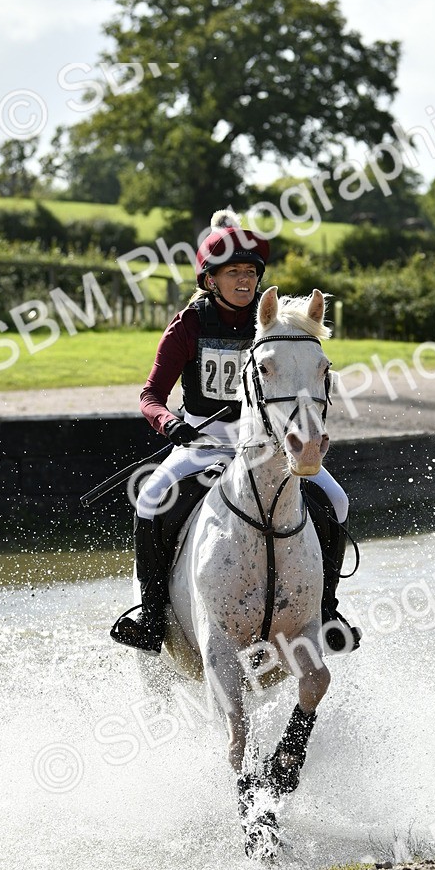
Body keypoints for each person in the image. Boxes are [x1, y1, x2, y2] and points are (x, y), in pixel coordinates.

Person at [110, 209, 361, 656]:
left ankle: (326, 611)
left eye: (250, 272)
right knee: (150, 499)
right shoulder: (188, 326)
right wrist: (170, 423)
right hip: (205, 443)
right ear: (210, 279)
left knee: (336, 500)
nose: (244, 280)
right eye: (233, 272)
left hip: (267, 446)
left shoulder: (272, 322)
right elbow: (150, 394)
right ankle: (150, 616)